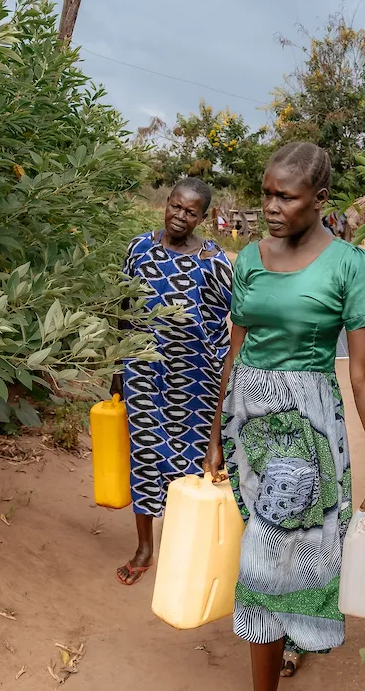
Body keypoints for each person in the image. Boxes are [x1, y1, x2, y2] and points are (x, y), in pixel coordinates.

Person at [204, 142, 365, 690]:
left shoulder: (348, 265)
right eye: (266, 193)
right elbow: (234, 352)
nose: (271, 206)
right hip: (247, 420)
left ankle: (266, 674)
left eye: (284, 196)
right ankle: (281, 639)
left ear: (320, 199)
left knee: (269, 554)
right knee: (266, 545)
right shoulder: (248, 260)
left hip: (304, 429)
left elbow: (363, 372)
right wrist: (217, 434)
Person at [111, 177, 233, 586]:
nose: (180, 216)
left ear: (202, 217)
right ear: (166, 203)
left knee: (193, 465)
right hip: (144, 371)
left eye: (191, 211)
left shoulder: (215, 262)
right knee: (145, 457)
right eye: (175, 206)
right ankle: (145, 549)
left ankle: (187, 555)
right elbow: (124, 306)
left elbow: (237, 323)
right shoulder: (139, 249)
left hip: (197, 379)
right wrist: (117, 367)